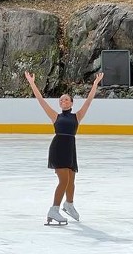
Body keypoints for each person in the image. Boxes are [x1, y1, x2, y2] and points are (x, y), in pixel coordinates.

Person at [25, 71, 104, 226]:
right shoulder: (56, 116)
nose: (64, 101)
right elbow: (41, 101)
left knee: (71, 180)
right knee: (64, 180)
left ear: (71, 103)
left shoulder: (77, 116)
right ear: (60, 104)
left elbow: (88, 101)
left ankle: (69, 204)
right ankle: (54, 209)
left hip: (70, 148)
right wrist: (32, 83)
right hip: (58, 148)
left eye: (66, 100)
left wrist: (95, 84)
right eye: (61, 100)